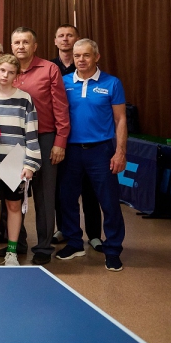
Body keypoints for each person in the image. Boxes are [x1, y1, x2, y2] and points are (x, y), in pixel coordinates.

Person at [56, 39, 127, 272]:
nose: (81, 60)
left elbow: (120, 120)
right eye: (77, 56)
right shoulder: (64, 82)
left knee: (109, 202)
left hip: (101, 151)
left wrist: (120, 151)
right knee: (67, 199)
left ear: (96, 57)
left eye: (86, 55)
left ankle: (113, 249)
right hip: (70, 150)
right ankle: (74, 242)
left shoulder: (112, 83)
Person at [11, 26, 70, 265]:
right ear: (11, 46)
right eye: (17, 42)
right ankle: (16, 242)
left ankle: (44, 246)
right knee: (12, 193)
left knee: (45, 195)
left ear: (34, 46)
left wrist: (60, 141)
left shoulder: (49, 69)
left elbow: (61, 108)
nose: (21, 46)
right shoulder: (6, 69)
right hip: (13, 141)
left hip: (44, 138)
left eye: (25, 42)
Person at [0, 55, 41, 266]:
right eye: (2, 70)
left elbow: (31, 133)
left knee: (14, 207)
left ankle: (12, 251)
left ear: (17, 75)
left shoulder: (25, 99)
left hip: (15, 162)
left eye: (11, 72)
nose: (5, 75)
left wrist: (30, 164)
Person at [48, 24, 102, 251]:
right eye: (61, 36)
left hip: (88, 140)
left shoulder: (88, 67)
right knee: (63, 190)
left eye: (70, 35)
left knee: (90, 190)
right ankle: (64, 229)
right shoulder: (50, 67)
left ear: (78, 39)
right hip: (62, 138)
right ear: (55, 41)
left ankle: (94, 234)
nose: (65, 39)